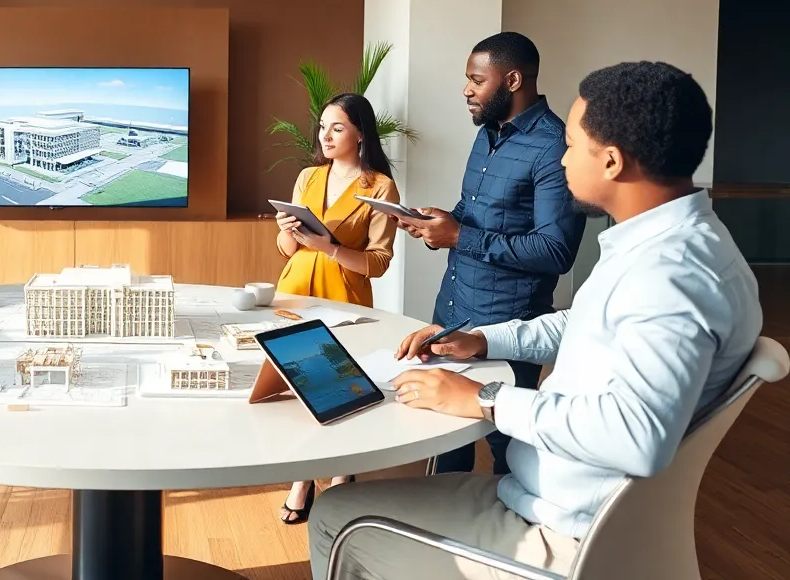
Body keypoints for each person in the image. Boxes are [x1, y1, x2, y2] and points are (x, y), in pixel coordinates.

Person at [307, 61, 762, 580]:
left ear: (611, 162)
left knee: (334, 516)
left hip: (562, 534)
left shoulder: (671, 276)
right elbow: (580, 324)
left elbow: (636, 436)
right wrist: (481, 340)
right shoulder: (663, 246)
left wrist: (483, 398)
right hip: (541, 495)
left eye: (570, 144)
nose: (560, 158)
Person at [393, 32, 585, 475]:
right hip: (453, 309)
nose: (466, 90)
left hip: (508, 322)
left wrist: (460, 236)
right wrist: (437, 220)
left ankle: (511, 535)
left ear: (513, 80)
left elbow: (556, 251)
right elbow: (475, 212)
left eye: (476, 80)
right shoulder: (487, 136)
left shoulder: (553, 146)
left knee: (508, 448)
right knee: (443, 433)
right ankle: (441, 532)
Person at [272, 92, 400, 524]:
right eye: (323, 126)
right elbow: (287, 250)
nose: (325, 135)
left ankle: (342, 475)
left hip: (343, 295)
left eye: (337, 127)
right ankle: (303, 477)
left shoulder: (379, 186)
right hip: (295, 289)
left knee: (341, 389)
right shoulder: (308, 176)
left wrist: (331, 247)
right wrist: (286, 230)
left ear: (360, 133)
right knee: (298, 386)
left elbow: (378, 263)